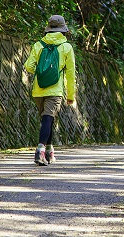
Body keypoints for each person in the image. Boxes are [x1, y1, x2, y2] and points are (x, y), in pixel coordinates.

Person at [24, 15, 76, 166]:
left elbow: (28, 66)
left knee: (47, 119)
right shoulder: (66, 47)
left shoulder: (39, 45)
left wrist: (40, 71)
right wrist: (71, 95)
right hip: (55, 90)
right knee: (48, 119)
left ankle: (49, 152)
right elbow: (71, 74)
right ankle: (40, 151)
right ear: (63, 29)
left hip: (38, 89)